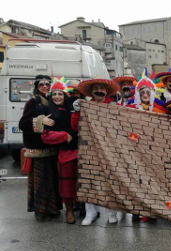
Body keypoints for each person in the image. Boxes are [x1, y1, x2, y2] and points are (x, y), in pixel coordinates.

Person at [76, 77, 123, 225]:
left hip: (110, 150)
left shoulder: (114, 107)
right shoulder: (84, 106)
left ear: (107, 92)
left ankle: (112, 213)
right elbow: (74, 127)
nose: (99, 91)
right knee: (89, 181)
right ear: (91, 92)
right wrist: (76, 112)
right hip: (89, 149)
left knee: (111, 181)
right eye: (96, 88)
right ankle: (91, 213)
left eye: (102, 89)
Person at [19, 75, 62, 221]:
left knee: (51, 181)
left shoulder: (51, 100)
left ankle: (53, 209)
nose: (45, 86)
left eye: (47, 84)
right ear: (37, 86)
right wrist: (40, 120)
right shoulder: (32, 101)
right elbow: (23, 124)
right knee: (40, 182)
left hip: (50, 149)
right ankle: (41, 212)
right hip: (38, 151)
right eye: (42, 84)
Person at [41, 77, 78, 224]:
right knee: (67, 184)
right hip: (66, 153)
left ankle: (83, 207)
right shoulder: (50, 113)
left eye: (60, 94)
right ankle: (69, 209)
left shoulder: (73, 108)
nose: (57, 97)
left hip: (81, 150)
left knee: (83, 182)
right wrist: (64, 136)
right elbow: (46, 136)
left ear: (65, 95)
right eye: (54, 94)